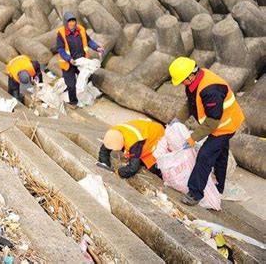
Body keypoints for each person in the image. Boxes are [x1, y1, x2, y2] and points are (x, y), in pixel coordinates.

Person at [168, 57, 245, 206]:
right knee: (221, 154)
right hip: (218, 123)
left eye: (183, 80)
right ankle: (219, 186)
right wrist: (178, 119)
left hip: (224, 125)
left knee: (205, 155)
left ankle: (195, 193)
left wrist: (193, 138)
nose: (182, 84)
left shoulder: (210, 89)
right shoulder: (194, 81)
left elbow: (213, 121)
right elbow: (190, 103)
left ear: (191, 75)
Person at [56, 12, 104, 109]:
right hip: (68, 63)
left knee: (86, 78)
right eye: (70, 22)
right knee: (71, 84)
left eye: (73, 21)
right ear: (66, 23)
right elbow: (60, 49)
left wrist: (97, 48)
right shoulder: (61, 33)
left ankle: (88, 95)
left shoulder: (81, 29)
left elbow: (89, 41)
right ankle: (73, 102)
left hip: (81, 60)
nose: (72, 24)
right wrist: (69, 59)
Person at [98, 119, 164, 179]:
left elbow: (133, 168)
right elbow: (105, 149)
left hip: (157, 134)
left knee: (151, 166)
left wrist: (119, 172)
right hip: (144, 129)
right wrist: (104, 163)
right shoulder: (113, 132)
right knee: (135, 156)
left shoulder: (133, 143)